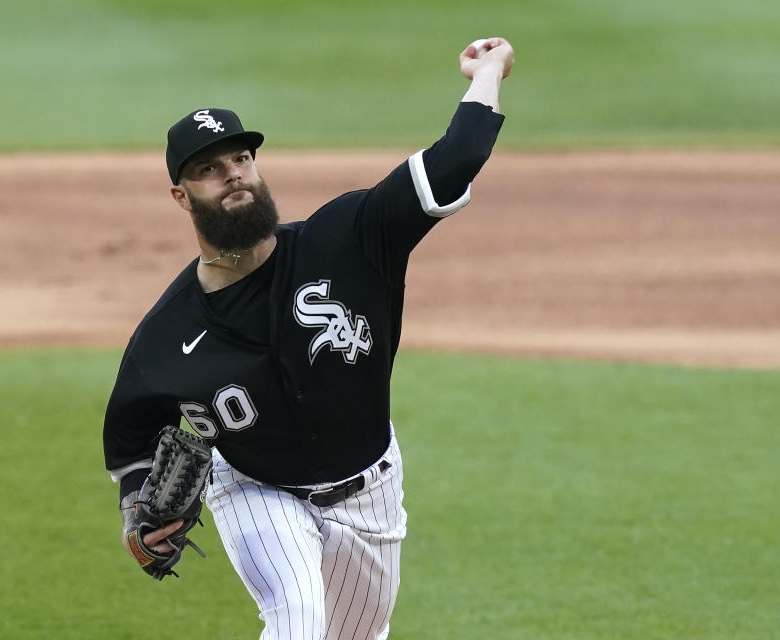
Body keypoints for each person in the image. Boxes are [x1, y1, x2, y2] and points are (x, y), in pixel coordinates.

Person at [103, 37, 513, 640]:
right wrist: (137, 510)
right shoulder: (166, 336)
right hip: (253, 487)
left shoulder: (347, 238)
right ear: (181, 195)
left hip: (371, 494)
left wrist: (487, 72)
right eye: (208, 169)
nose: (232, 175)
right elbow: (131, 440)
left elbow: (457, 156)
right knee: (296, 619)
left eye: (240, 158)